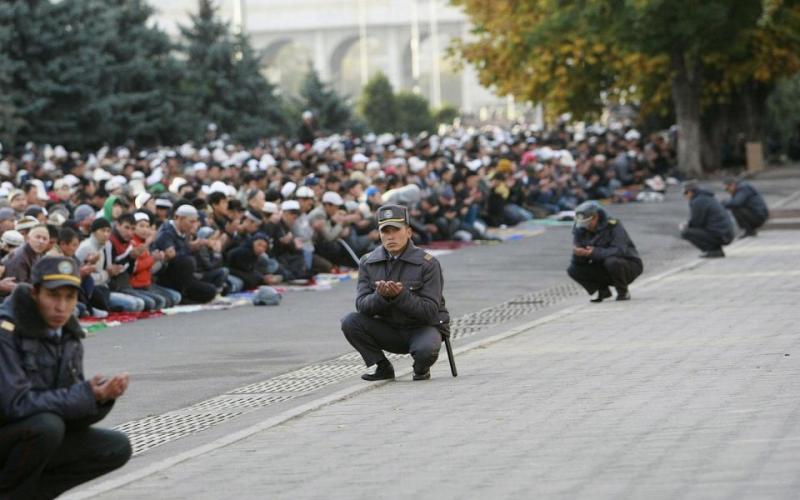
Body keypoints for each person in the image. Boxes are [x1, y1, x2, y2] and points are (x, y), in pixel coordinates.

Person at [0, 256, 131, 499]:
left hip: (30, 435)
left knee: (115, 447)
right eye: (53, 296)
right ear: (35, 293)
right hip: (12, 431)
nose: (61, 306)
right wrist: (84, 394)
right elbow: (14, 405)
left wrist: (99, 398)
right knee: (47, 427)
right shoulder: (6, 331)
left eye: (69, 297)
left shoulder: (67, 334)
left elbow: (69, 410)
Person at [340, 204, 450, 381]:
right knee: (350, 322)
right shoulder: (368, 262)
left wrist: (400, 296)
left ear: (408, 232)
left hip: (421, 328)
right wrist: (381, 297)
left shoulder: (428, 263)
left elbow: (429, 310)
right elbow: (362, 305)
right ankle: (381, 367)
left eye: (396, 231)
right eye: (385, 232)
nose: (390, 237)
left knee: (425, 352)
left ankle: (421, 369)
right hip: (389, 328)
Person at [567, 201, 643, 302]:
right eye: (583, 223)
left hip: (627, 264)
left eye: (587, 222)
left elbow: (619, 250)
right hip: (602, 265)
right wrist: (579, 254)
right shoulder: (580, 229)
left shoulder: (613, 225)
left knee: (611, 261)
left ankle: (623, 291)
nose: (586, 226)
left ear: (596, 217)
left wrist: (594, 252)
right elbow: (580, 261)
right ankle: (603, 290)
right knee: (573, 270)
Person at [680, 181, 735, 258]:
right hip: (725, 233)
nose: (685, 196)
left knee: (686, 232)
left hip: (722, 235)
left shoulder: (698, 201)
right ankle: (717, 250)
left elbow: (697, 222)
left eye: (685, 193)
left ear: (690, 192)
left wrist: (686, 225)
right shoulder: (705, 197)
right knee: (693, 229)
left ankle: (713, 251)